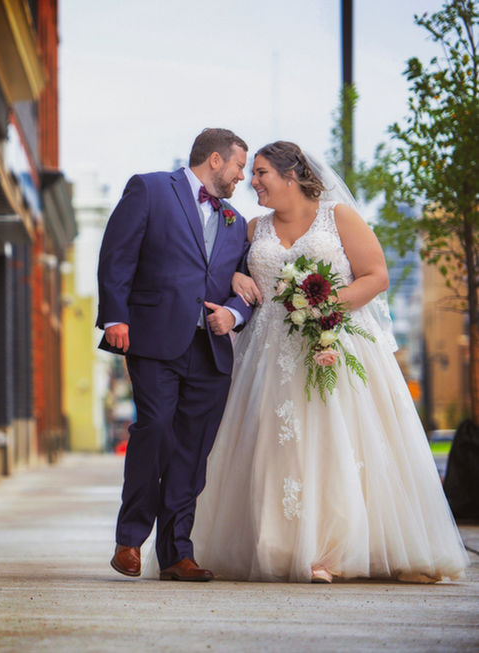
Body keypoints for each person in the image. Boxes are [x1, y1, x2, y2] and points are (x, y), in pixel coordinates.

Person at [192, 141, 469, 583]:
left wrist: (325, 307)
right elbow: (219, 271)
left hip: (334, 343)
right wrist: (237, 274)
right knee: (278, 447)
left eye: (261, 172)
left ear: (290, 175)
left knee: (337, 443)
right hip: (268, 355)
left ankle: (337, 550)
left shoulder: (336, 216)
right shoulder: (252, 229)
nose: (253, 182)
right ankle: (280, 545)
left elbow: (376, 275)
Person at [96, 128, 255, 581]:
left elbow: (245, 283)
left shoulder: (235, 223)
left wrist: (234, 313)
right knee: (157, 429)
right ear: (216, 160)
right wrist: (114, 317)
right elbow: (117, 254)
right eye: (240, 166)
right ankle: (130, 539)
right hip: (153, 338)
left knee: (192, 451)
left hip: (210, 351)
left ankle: (176, 553)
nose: (242, 177)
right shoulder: (149, 188)